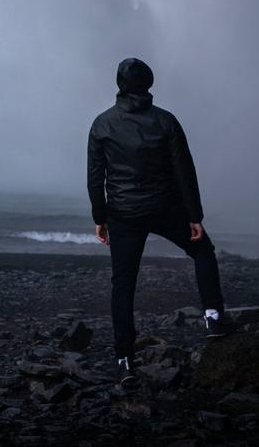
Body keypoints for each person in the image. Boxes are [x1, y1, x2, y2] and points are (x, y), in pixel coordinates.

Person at [87, 57, 231, 386]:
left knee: (123, 285)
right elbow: (184, 171)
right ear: (148, 84)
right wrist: (194, 216)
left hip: (123, 214)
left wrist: (100, 217)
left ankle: (124, 360)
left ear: (120, 85)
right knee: (203, 251)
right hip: (165, 208)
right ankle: (213, 318)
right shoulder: (166, 122)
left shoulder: (102, 124)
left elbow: (95, 177)